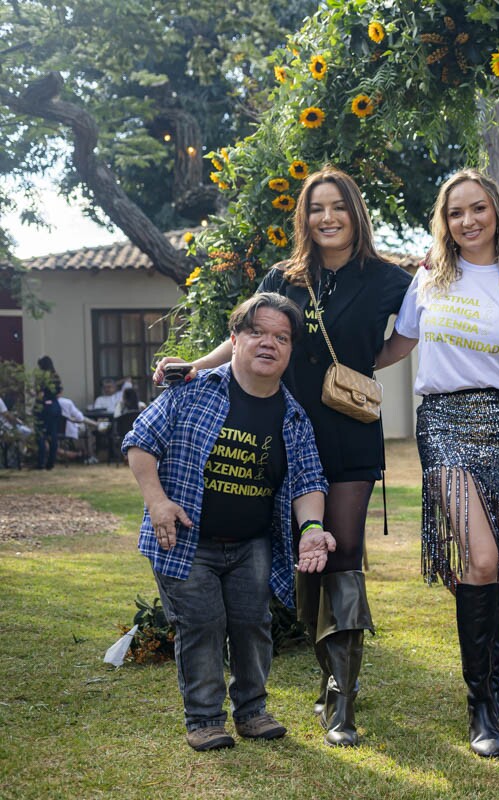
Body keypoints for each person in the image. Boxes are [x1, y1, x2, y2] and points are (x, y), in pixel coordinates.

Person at [154, 165, 412, 746]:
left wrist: (361, 369)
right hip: (286, 429)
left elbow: (412, 333)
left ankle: (341, 705)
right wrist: (196, 367)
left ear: (355, 213)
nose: (327, 217)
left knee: (340, 554)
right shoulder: (285, 276)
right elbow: (244, 334)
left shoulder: (388, 278)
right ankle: (325, 681)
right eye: (316, 207)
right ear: (305, 216)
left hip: (348, 432)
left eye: (338, 206)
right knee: (301, 557)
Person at [123, 293, 336, 752]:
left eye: (281, 337)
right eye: (257, 332)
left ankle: (253, 712)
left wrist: (313, 530)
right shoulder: (195, 391)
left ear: (289, 351)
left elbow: (308, 480)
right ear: (235, 339)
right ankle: (204, 719)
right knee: (201, 624)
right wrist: (157, 502)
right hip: (185, 538)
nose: (269, 343)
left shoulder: (293, 416)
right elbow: (140, 442)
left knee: (251, 624)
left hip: (252, 543)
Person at [377, 169, 499, 759]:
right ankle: (477, 706)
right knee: (482, 554)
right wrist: (332, 361)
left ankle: (496, 696)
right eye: (454, 212)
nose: (467, 221)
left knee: (496, 568)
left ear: (496, 211)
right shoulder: (427, 279)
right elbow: (399, 346)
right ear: (442, 222)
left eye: (477, 209)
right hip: (443, 422)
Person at [34, 355, 63, 470]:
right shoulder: (56, 376)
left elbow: (39, 394)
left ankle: (41, 462)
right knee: (53, 435)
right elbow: (60, 392)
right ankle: (51, 463)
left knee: (40, 435)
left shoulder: (41, 378)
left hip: (43, 407)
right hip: (55, 406)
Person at [57, 395, 100, 464]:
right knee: (86, 430)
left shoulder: (43, 403)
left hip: (52, 432)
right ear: (60, 392)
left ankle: (80, 453)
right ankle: (89, 455)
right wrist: (97, 424)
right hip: (68, 431)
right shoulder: (66, 402)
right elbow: (80, 418)